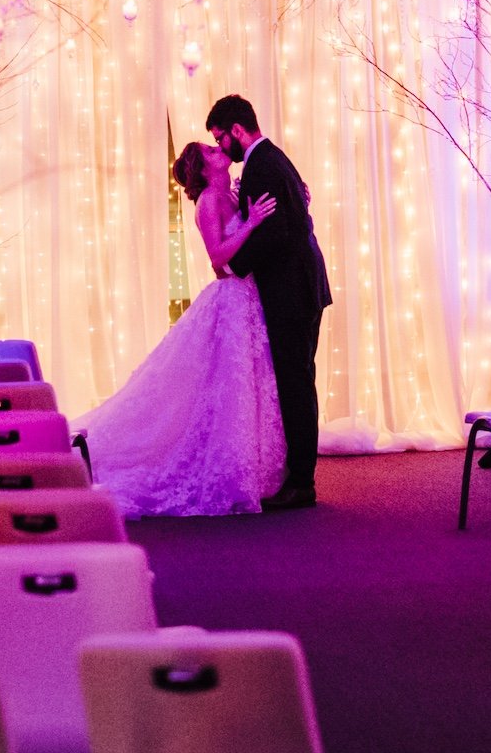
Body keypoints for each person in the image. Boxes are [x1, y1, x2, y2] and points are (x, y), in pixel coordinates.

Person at [76, 143, 285, 516]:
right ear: (203, 169)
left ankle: (251, 466)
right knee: (227, 388)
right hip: (231, 301)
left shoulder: (231, 194)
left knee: (243, 388)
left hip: (251, 299)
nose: (218, 149)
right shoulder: (208, 201)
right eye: (209, 150)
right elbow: (217, 257)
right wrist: (251, 223)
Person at [206, 93, 332, 510]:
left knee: (296, 382)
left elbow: (279, 233)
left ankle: (302, 482)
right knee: (298, 379)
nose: (222, 147)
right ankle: (300, 476)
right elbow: (295, 218)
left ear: (237, 131)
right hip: (300, 286)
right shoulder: (270, 160)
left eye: (221, 138)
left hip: (292, 290)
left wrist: (233, 266)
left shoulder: (263, 164)